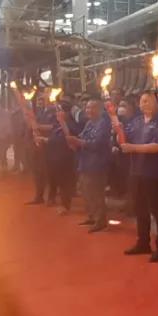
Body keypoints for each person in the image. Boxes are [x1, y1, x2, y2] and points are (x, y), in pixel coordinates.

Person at [121, 91, 158, 262]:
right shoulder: (135, 122)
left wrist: (133, 148)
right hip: (136, 171)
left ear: (157, 104)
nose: (145, 104)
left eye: (149, 101)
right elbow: (124, 139)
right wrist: (118, 130)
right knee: (139, 208)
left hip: (155, 173)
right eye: (143, 101)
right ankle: (143, 242)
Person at [66, 97, 111, 233]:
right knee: (86, 191)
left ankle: (100, 221)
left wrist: (79, 142)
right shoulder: (89, 123)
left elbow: (97, 144)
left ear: (100, 109)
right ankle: (92, 216)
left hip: (97, 164)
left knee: (96, 193)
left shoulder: (103, 124)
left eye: (92, 107)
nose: (89, 110)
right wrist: (74, 141)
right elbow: (82, 137)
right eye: (87, 108)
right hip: (85, 162)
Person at [38, 96, 78, 214]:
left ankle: (65, 205)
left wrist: (46, 140)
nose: (57, 113)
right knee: (53, 179)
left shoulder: (71, 125)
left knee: (65, 182)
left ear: (66, 112)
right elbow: (53, 138)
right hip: (53, 157)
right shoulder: (57, 125)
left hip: (65, 158)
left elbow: (67, 139)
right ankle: (52, 198)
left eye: (60, 111)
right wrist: (43, 139)